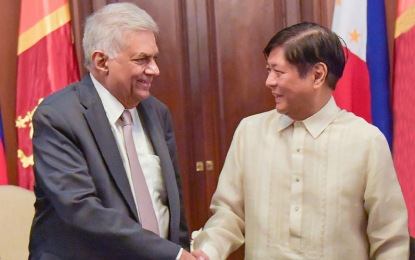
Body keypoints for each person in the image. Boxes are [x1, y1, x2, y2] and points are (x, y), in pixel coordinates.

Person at [192, 22, 409, 260]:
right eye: (268, 70)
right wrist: (208, 252)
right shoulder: (250, 131)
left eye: (278, 72)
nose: (269, 81)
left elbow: (389, 240)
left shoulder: (366, 141)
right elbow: (229, 214)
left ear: (317, 75)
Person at [29, 3, 194, 260]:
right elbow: (81, 210)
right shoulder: (58, 116)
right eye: (142, 59)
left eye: (154, 58)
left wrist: (182, 251)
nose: (154, 70)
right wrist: (171, 255)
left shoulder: (156, 112)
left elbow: (171, 201)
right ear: (101, 61)